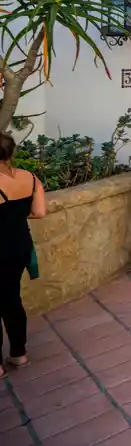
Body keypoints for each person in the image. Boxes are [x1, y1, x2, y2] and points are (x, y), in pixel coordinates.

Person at [0, 131, 47, 379]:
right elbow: (39, 212)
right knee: (11, 300)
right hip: (20, 247)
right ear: (12, 152)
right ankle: (19, 354)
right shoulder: (30, 178)